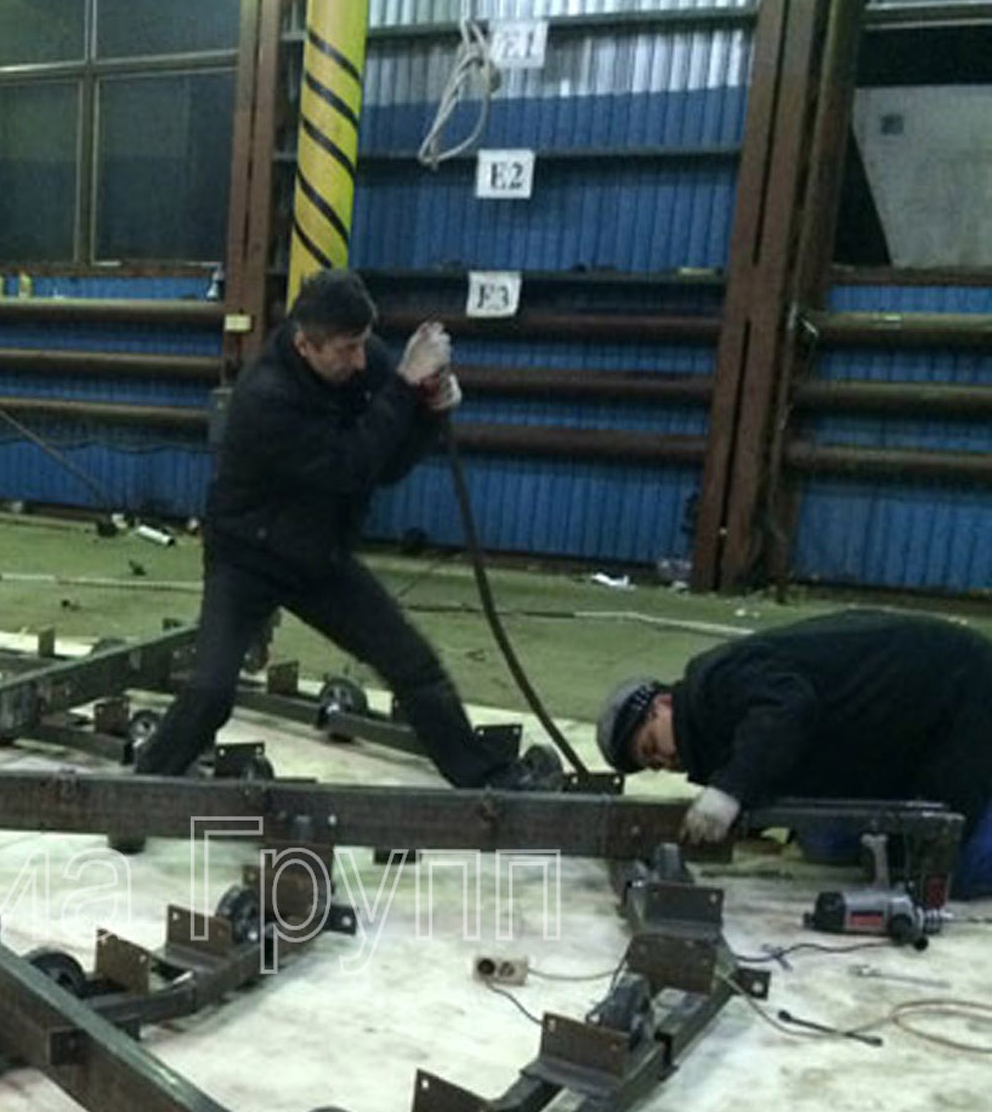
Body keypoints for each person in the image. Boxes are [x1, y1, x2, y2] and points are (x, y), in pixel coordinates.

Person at [127, 268, 531, 809]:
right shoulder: (264, 397)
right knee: (210, 691)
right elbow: (349, 466)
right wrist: (405, 388)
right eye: (346, 349)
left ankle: (486, 782)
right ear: (305, 344)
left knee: (414, 666)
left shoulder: (361, 362)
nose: (361, 360)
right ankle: (136, 794)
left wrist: (428, 413)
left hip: (318, 555)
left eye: (364, 343)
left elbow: (385, 465)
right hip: (247, 558)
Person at [595, 609, 992, 897]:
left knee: (939, 871)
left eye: (652, 746)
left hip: (958, 695)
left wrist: (731, 789)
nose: (665, 761)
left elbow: (788, 707)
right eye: (654, 765)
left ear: (663, 704)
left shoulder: (715, 681)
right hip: (895, 733)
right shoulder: (713, 733)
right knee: (826, 843)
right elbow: (775, 754)